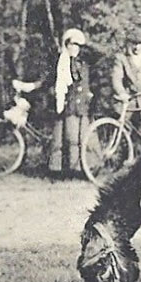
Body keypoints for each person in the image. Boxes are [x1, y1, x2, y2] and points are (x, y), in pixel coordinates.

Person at [50, 28, 93, 178]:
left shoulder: (83, 63)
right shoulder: (61, 63)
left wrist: (86, 42)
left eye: (78, 45)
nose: (75, 48)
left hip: (83, 106)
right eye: (72, 44)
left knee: (85, 138)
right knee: (70, 138)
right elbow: (54, 82)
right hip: (69, 105)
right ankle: (69, 170)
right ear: (66, 45)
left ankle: (84, 169)